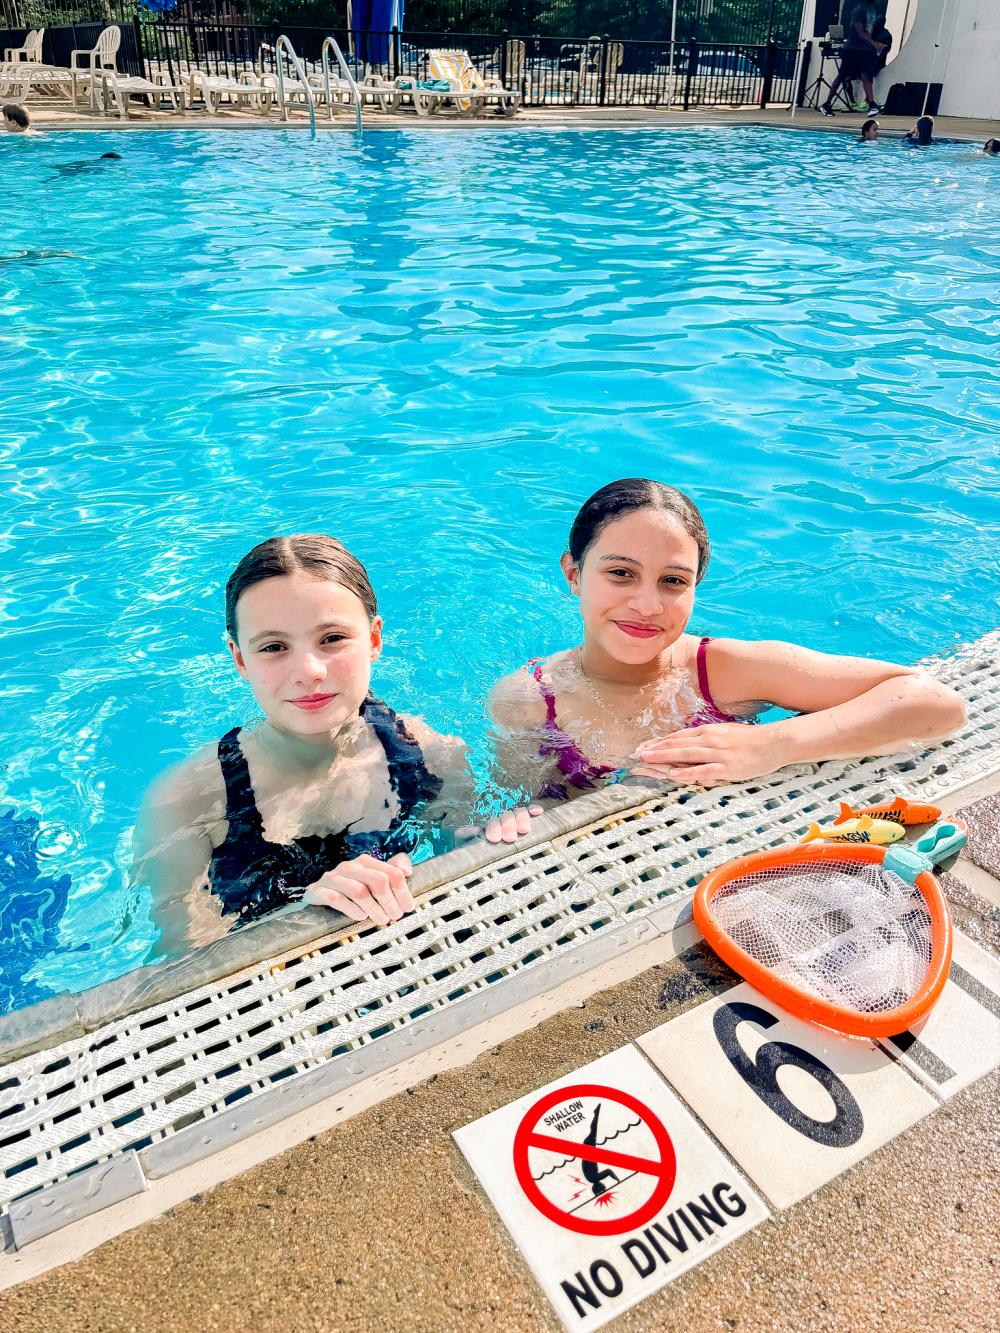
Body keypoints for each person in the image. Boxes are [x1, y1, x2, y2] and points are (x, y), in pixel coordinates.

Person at [132, 534, 540, 953]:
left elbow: (460, 850)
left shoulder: (427, 754)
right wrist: (299, 919)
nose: (308, 671)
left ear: (374, 640)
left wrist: (497, 839)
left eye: (332, 639)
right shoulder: (186, 800)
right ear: (240, 659)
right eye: (273, 647)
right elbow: (182, 959)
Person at [488, 479, 965, 800]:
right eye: (620, 573)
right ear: (573, 573)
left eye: (673, 582)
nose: (647, 605)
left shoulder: (723, 671)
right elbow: (526, 811)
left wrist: (774, 744)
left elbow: (934, 702)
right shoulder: (530, 700)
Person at [821, 4, 886, 117]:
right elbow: (860, 31)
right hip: (852, 49)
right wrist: (874, 43)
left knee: (866, 75)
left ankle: (872, 104)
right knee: (841, 77)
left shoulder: (872, 9)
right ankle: (827, 104)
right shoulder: (859, 10)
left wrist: (873, 44)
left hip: (864, 50)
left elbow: (869, 30)